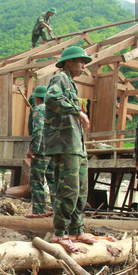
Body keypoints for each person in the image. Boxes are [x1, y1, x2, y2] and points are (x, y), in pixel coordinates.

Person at [44, 46, 94, 254]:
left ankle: (76, 228)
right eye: (80, 61)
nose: (83, 65)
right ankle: (60, 232)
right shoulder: (60, 79)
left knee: (81, 190)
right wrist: (78, 112)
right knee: (68, 190)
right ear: (68, 62)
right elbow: (52, 99)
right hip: (65, 145)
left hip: (76, 145)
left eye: (85, 61)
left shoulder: (71, 84)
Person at [25, 85, 56, 218]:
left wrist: (32, 148)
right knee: (53, 180)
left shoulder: (39, 109)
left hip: (42, 150)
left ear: (37, 98)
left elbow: (38, 130)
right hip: (54, 150)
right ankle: (57, 210)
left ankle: (39, 210)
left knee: (37, 180)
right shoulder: (54, 110)